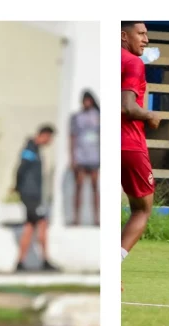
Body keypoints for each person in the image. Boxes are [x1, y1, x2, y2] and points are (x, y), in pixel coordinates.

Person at [120, 21, 161, 291]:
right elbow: (127, 107)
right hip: (129, 144)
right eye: (141, 33)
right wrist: (150, 115)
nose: (146, 39)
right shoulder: (132, 62)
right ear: (124, 36)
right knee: (142, 208)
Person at [14, 125, 59, 272]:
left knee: (30, 226)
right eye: (49, 138)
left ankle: (20, 262)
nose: (50, 141)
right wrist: (18, 187)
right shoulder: (30, 148)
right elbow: (21, 169)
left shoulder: (36, 149)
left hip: (33, 195)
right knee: (43, 222)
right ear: (43, 135)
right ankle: (45, 260)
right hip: (30, 195)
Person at [71, 90, 101, 226]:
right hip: (81, 156)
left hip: (94, 156)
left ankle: (96, 218)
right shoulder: (77, 117)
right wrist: (73, 157)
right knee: (79, 186)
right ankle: (76, 218)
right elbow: (72, 136)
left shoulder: (98, 115)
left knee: (95, 187)